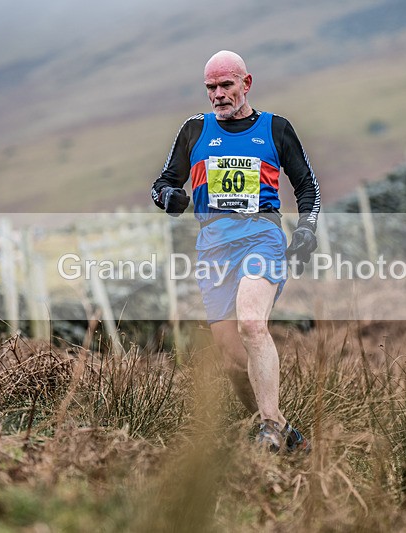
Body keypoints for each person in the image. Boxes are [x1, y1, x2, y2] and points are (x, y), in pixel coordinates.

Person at [151, 50, 321, 453]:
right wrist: (170, 197)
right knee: (231, 362)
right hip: (213, 249)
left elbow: (308, 187)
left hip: (261, 237)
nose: (218, 95)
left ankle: (267, 428)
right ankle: (284, 431)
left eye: (226, 85)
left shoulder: (275, 128)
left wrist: (307, 231)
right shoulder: (194, 130)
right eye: (210, 87)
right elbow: (163, 183)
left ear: (246, 84)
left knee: (251, 323)